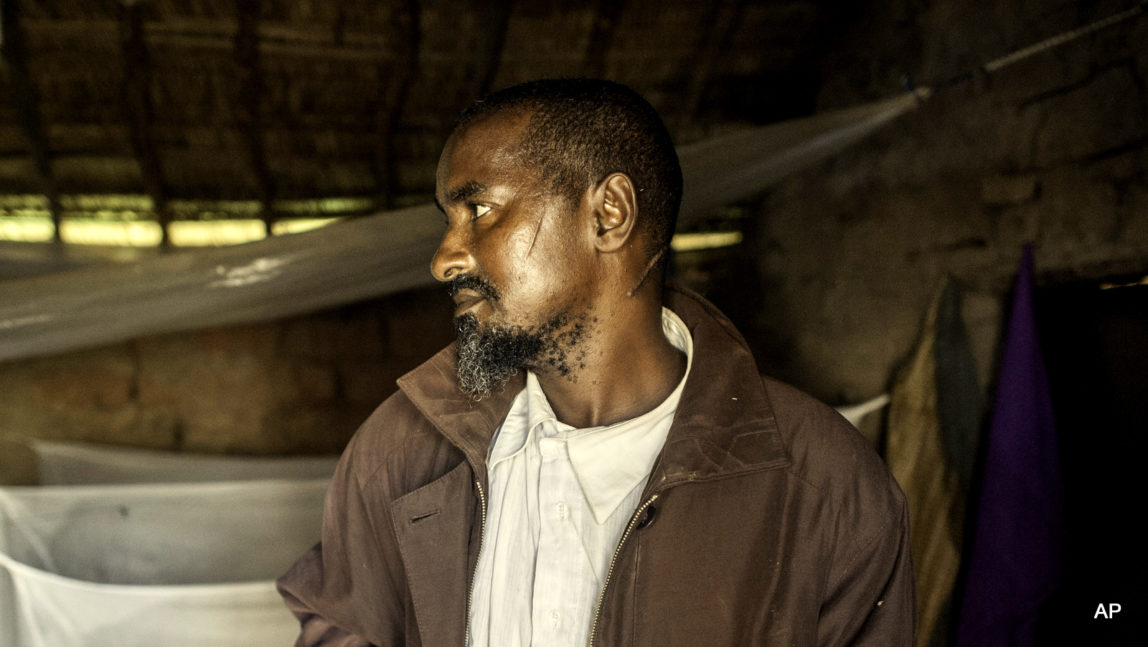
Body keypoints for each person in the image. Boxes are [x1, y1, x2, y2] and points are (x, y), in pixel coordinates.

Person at [277, 78, 915, 647]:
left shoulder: (824, 486)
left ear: (609, 214)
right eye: (448, 220)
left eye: (478, 210)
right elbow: (343, 620)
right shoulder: (404, 447)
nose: (445, 259)